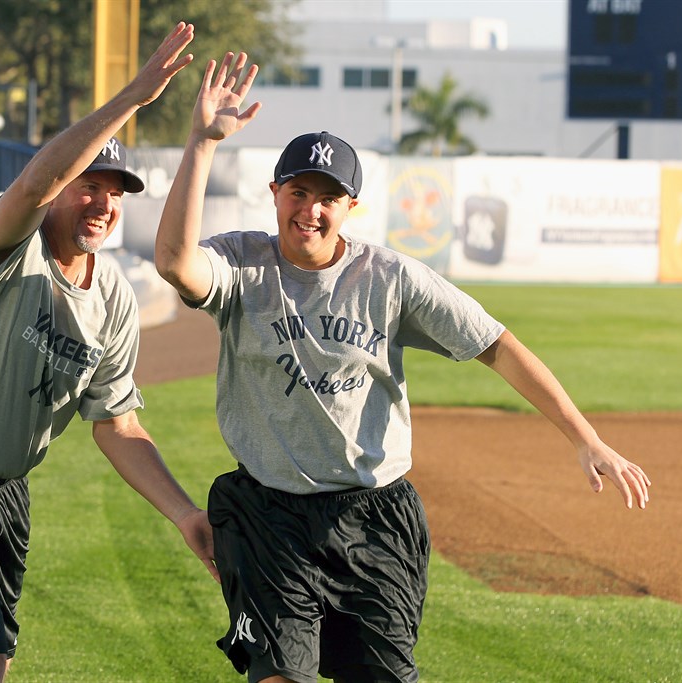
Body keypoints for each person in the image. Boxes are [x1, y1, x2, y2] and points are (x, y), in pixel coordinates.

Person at [154, 51, 652, 683]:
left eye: (328, 198)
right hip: (269, 515)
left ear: (350, 206)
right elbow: (175, 263)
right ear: (274, 193)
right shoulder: (241, 264)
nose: (310, 209)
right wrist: (201, 142)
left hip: (374, 515)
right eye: (298, 192)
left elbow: (496, 343)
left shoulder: (388, 278)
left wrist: (587, 438)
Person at [0, 23, 216, 683]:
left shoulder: (113, 296)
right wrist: (134, 97)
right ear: (62, 184)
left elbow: (117, 423)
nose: (104, 202)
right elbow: (31, 185)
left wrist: (185, 514)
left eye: (116, 192)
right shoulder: (7, 243)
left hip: (3, 492)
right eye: (90, 183)